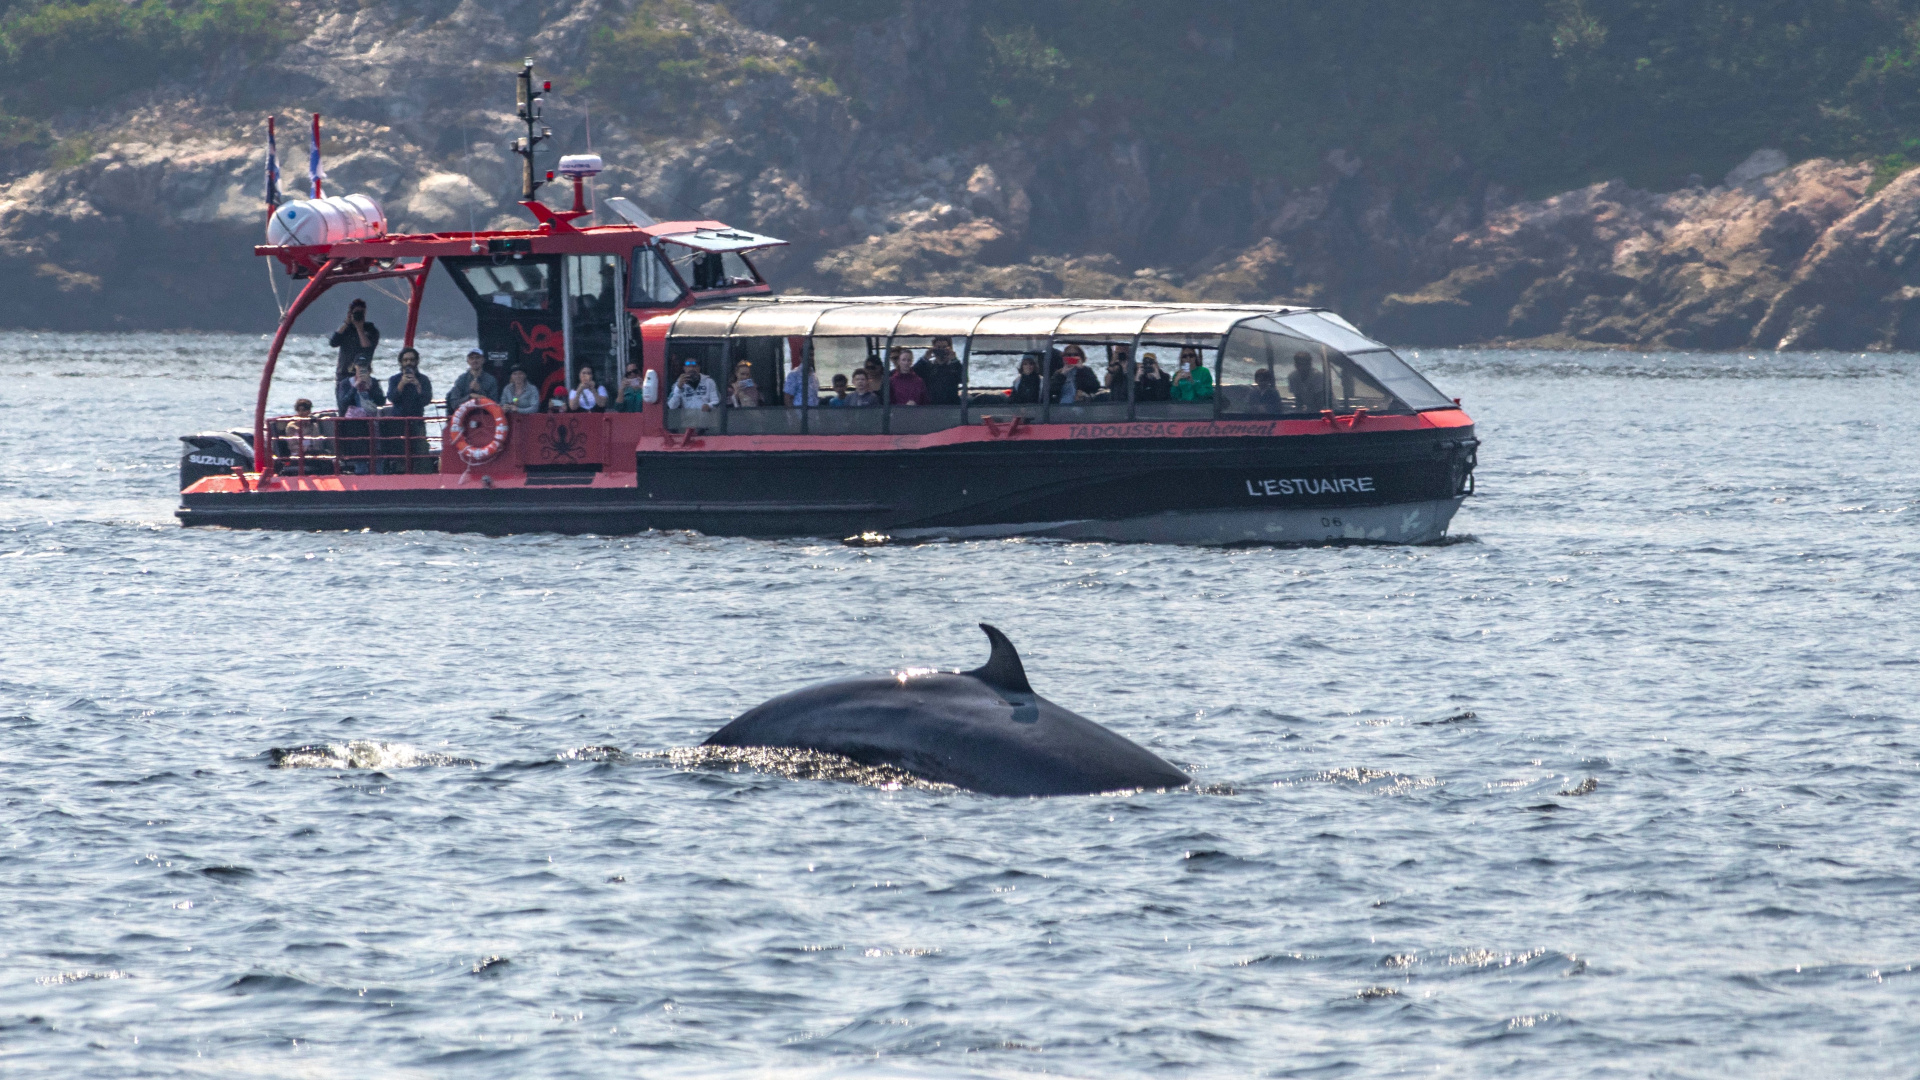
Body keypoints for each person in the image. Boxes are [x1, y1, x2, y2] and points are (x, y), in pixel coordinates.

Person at [330, 298, 380, 381]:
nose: (359, 315)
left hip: (363, 374)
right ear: (350, 314)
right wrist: (346, 322)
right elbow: (333, 343)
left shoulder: (371, 330)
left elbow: (368, 348)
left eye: (361, 313)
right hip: (344, 373)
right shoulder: (346, 329)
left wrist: (359, 328)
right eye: (356, 313)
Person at [913, 337, 964, 405]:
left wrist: (954, 360)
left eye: (944, 347)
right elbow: (913, 375)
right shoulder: (928, 367)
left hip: (951, 406)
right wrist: (924, 359)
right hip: (931, 407)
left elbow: (964, 379)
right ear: (933, 349)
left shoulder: (954, 367)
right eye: (938, 347)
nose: (941, 351)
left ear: (950, 349)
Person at [386, 348, 432, 418]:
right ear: (401, 362)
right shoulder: (394, 379)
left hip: (417, 419)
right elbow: (391, 398)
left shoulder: (423, 379)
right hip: (398, 419)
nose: (408, 363)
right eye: (405, 360)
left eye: (412, 360)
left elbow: (426, 400)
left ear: (417, 361)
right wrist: (401, 384)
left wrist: (418, 385)